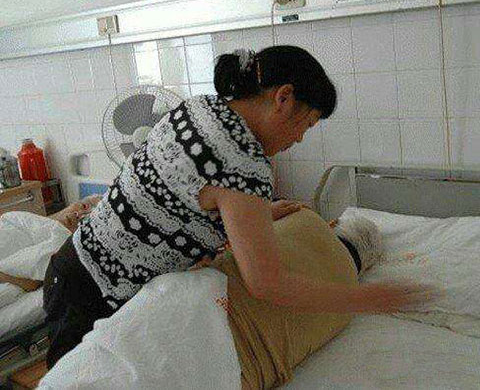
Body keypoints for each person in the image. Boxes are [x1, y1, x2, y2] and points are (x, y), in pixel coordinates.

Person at [43, 45, 435, 369]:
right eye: (307, 124)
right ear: (284, 98)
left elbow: (182, 195)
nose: (300, 139)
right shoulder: (243, 165)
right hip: (98, 299)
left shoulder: (200, 108)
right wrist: (370, 298)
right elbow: (268, 284)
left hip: (71, 266)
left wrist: (258, 215)